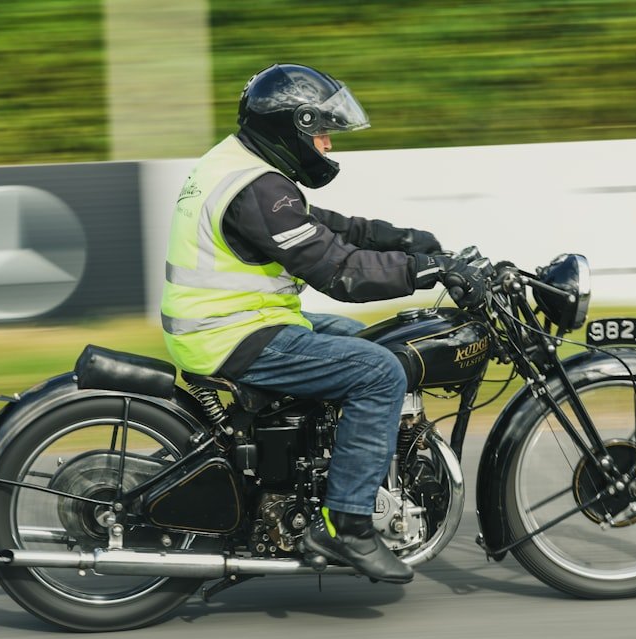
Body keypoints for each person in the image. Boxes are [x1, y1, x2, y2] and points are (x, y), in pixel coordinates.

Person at [160, 63, 480, 583]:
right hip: (230, 334)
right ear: (292, 127)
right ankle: (347, 525)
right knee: (380, 372)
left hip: (236, 321)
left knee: (379, 342)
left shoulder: (240, 165)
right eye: (322, 132)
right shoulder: (254, 188)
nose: (328, 144)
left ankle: (326, 471)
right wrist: (424, 270)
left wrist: (405, 241)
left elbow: (329, 229)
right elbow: (339, 271)